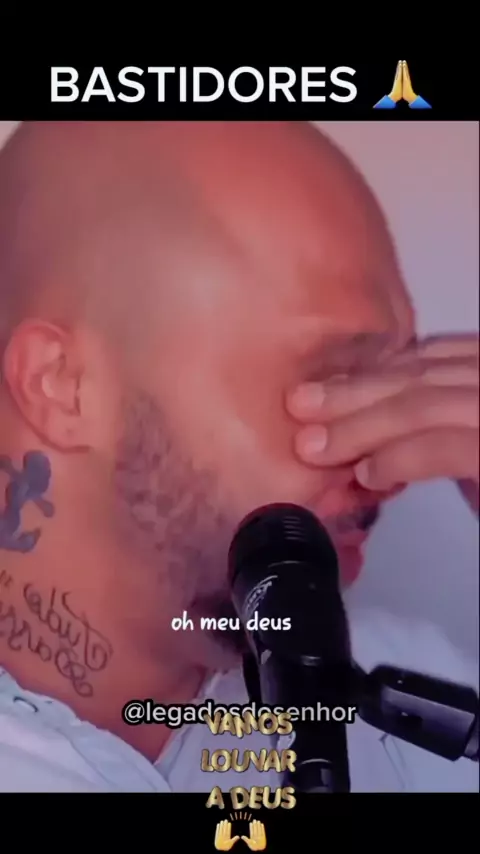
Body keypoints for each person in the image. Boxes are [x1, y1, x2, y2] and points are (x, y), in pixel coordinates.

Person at [0, 121, 477, 793]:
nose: (392, 470)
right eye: (336, 378)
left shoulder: (422, 698)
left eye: (398, 384)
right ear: (63, 385)